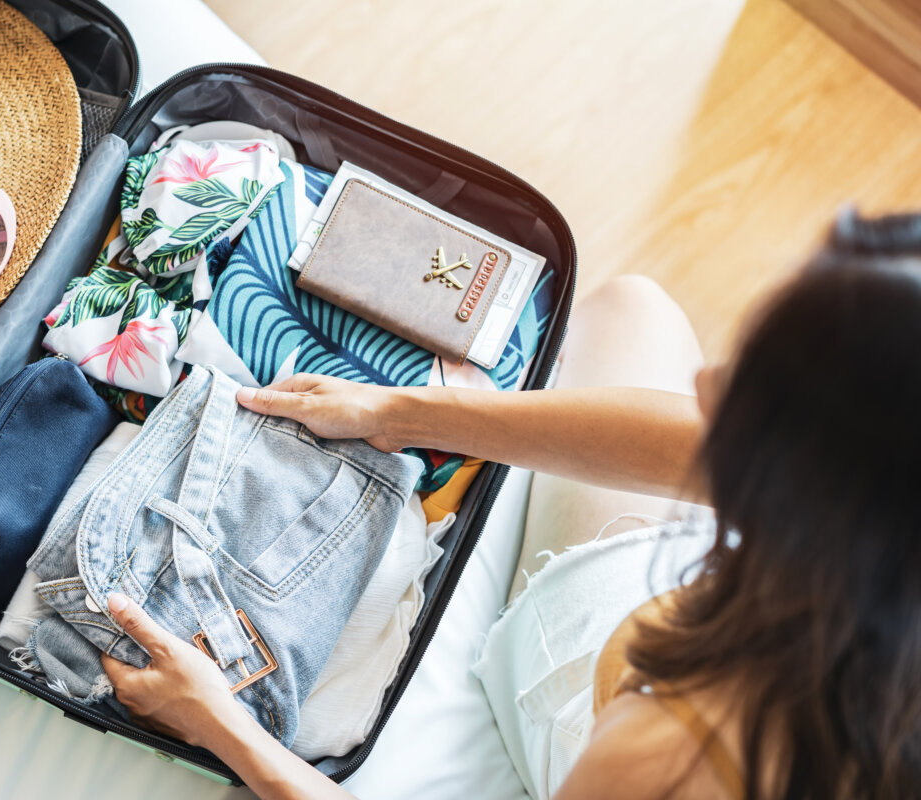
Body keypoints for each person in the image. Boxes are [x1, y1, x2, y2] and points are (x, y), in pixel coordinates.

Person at [98, 210, 921, 799]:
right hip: (694, 616)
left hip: (590, 709)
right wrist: (396, 414)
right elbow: (695, 446)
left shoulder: (674, 759)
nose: (703, 381)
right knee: (635, 306)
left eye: (744, 396)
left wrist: (220, 725)